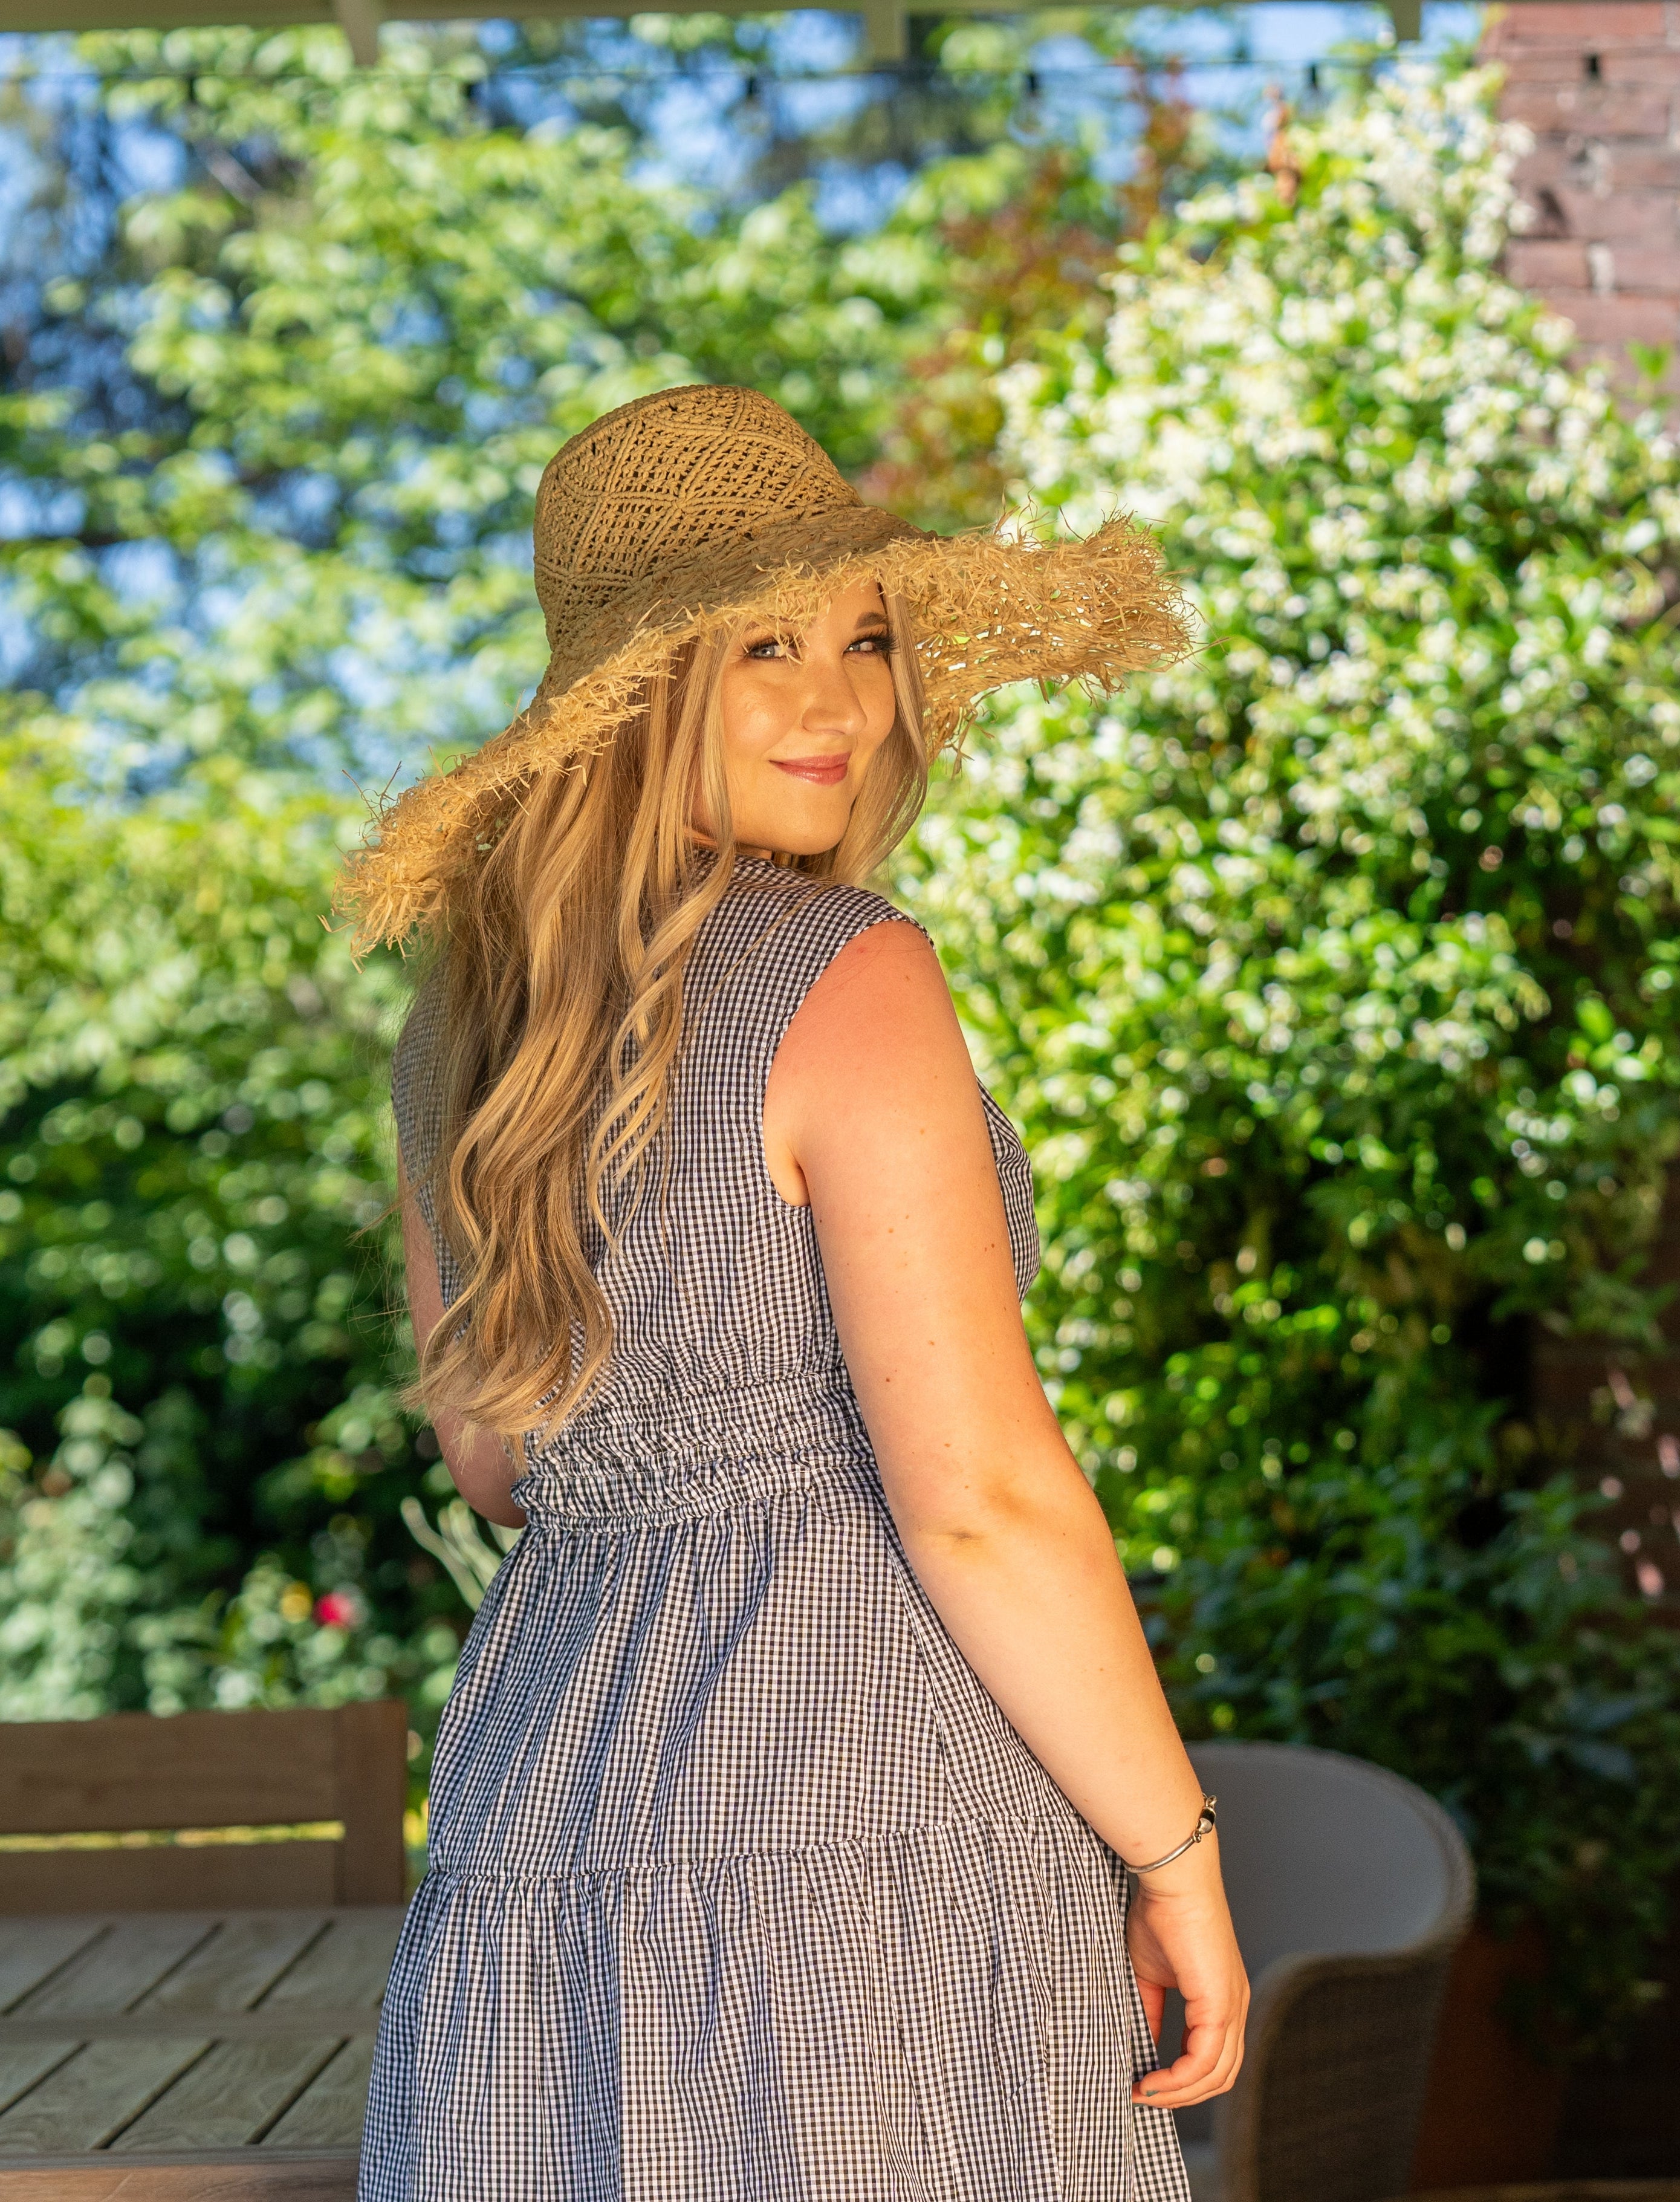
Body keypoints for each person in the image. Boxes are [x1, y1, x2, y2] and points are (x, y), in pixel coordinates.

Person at [340, 383, 1248, 2202]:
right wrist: (1176, 1849)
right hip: (860, 1827)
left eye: (862, 640)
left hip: (539, 1818)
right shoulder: (850, 975)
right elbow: (979, 1496)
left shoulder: (463, 1035)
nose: (838, 703)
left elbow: (506, 1470)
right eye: (760, 647)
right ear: (635, 692)